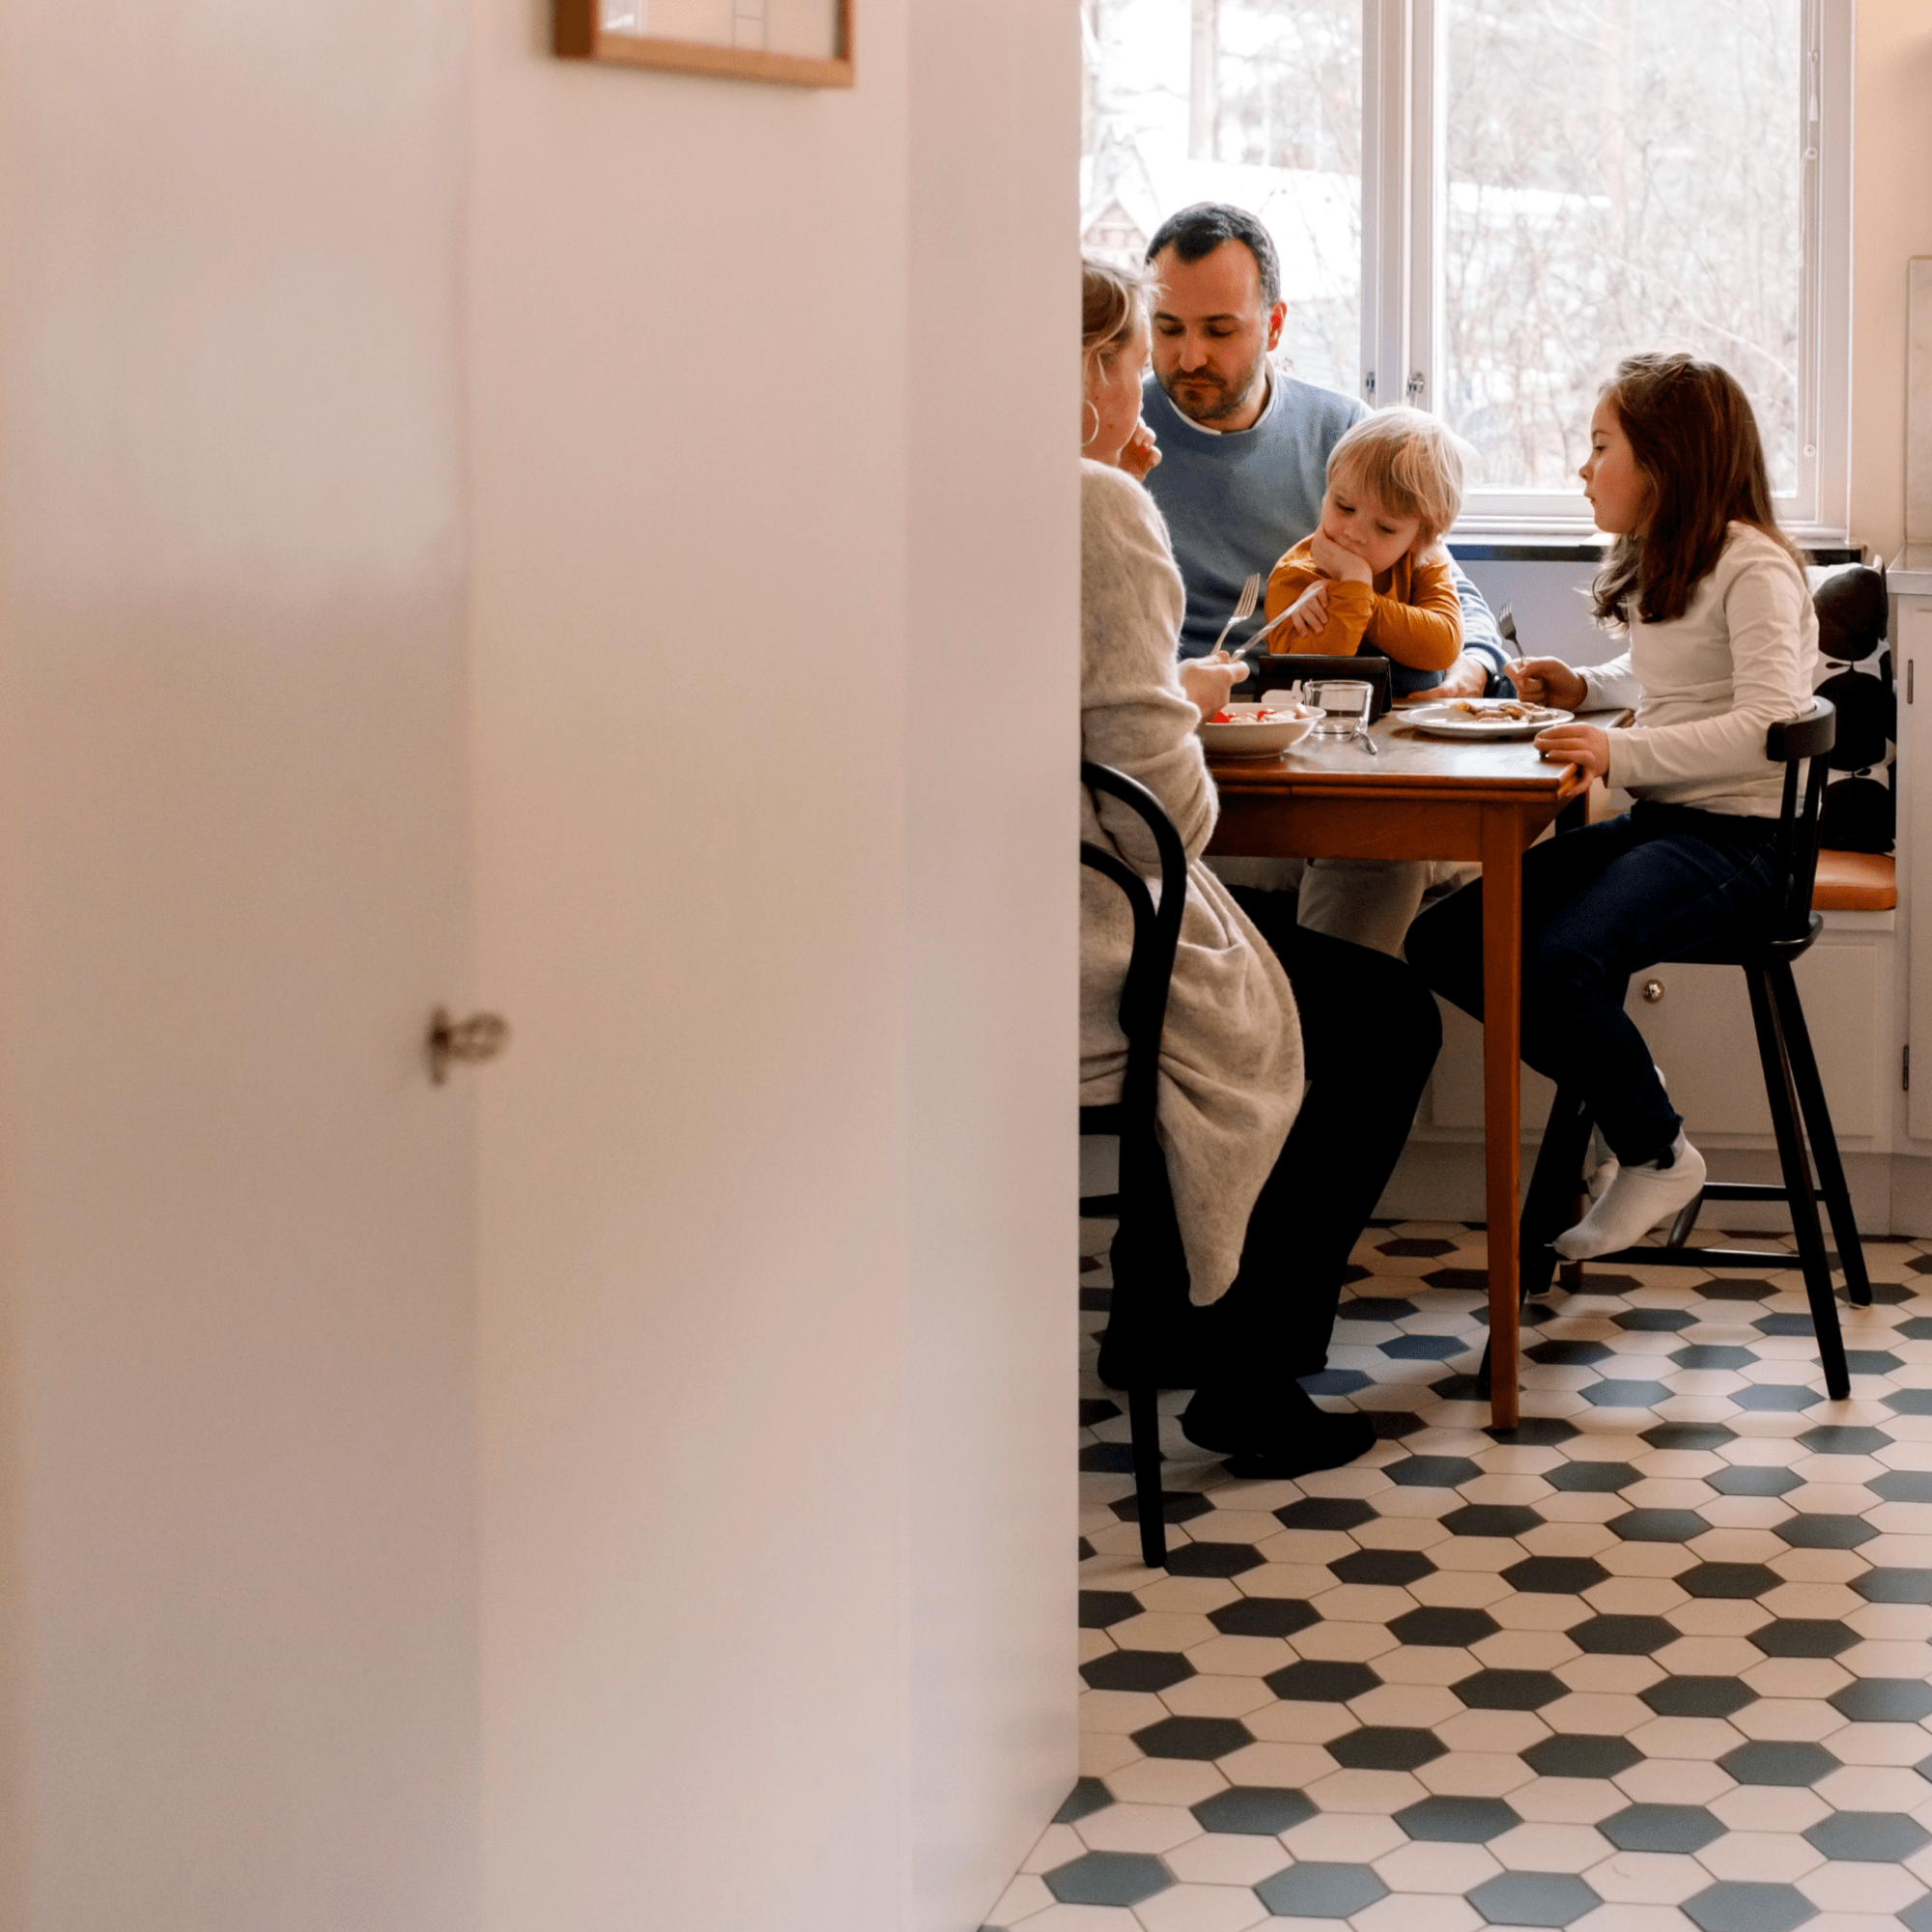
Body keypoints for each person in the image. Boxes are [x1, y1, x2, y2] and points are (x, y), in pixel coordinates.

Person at [1079, 255, 1441, 1476]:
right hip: (1095, 927)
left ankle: (1152, 1325)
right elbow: (1161, 815)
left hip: (991, 911)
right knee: (1379, 1014)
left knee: (1316, 967)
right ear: (1093, 376)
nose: (1162, 376)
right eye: (1142, 348)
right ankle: (1247, 1371)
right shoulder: (1097, 504)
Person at [1406, 353, 1819, 1261]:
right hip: (1676, 825)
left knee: (1556, 968)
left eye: (1601, 447)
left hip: (1748, 844)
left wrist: (1617, 749)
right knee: (1443, 939)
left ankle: (1656, 1149)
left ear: (1666, 463)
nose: (1583, 468)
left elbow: (1765, 721)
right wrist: (1581, 690)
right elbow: (1671, 679)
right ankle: (1633, 1089)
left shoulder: (1757, 568)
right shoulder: (1680, 556)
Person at [1138, 203, 1497, 952]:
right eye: (1168, 330)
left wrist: (1472, 669)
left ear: (1273, 328)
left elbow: (1454, 593)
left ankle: (1327, 1056)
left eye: (1219, 330)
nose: (1190, 357)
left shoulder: (1345, 435)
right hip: (1175, 758)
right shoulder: (1115, 429)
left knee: (1386, 847)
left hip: (1308, 760)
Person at [1264, 407, 1470, 693]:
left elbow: (1445, 646)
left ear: (1420, 538)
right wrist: (1354, 580)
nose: (1353, 533)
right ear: (1327, 491)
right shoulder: (1295, 576)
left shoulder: (1422, 562)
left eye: (1385, 528)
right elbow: (1313, 678)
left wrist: (1360, 595)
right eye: (1344, 506)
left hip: (1408, 728)